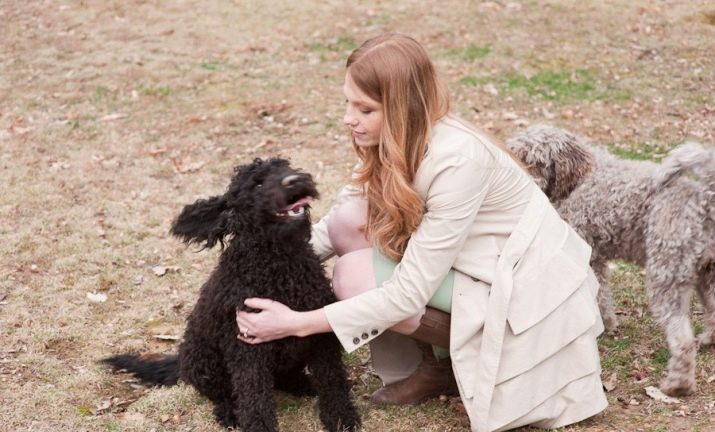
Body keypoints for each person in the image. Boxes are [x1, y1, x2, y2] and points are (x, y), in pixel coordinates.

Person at [236, 32, 607, 432]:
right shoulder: (393, 138)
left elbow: (407, 294)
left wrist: (295, 322)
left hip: (522, 288)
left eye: (364, 108)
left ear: (402, 108)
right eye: (348, 103)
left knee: (353, 276)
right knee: (351, 219)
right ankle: (439, 366)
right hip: (470, 264)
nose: (348, 118)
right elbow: (335, 227)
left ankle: (462, 361)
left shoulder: (458, 160)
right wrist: (251, 273)